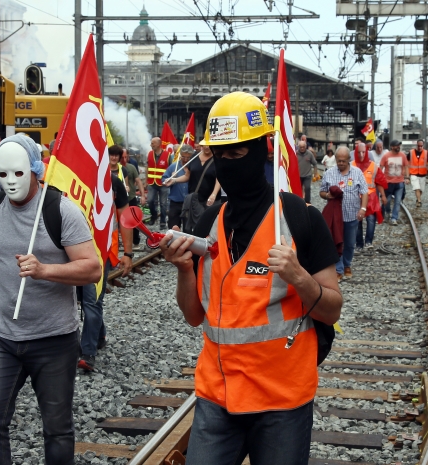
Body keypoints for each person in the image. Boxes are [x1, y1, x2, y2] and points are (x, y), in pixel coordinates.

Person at [161, 91, 342, 465]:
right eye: (220, 155)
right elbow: (195, 316)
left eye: (238, 154)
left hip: (282, 402)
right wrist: (183, 271)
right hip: (218, 396)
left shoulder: (300, 220)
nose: (228, 164)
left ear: (262, 149)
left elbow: (332, 310)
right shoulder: (208, 224)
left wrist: (298, 277)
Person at [0, 135, 101, 464]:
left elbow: (92, 268)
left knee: (57, 428)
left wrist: (45, 270)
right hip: (0, 337)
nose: (11, 182)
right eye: (4, 174)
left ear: (37, 171)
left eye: (19, 173)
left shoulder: (61, 210)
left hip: (54, 339)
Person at [78, 167, 132, 371]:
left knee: (91, 301)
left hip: (102, 252)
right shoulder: (68, 175)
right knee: (86, 300)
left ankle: (87, 353)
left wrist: (128, 254)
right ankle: (99, 335)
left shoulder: (114, 183)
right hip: (74, 251)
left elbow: (125, 218)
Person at [320, 146, 368, 280]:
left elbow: (364, 192)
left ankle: (347, 264)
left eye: (343, 161)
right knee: (336, 241)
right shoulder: (329, 173)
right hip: (335, 216)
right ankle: (338, 268)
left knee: (350, 242)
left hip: (352, 215)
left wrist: (363, 209)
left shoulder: (357, 173)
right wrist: (327, 195)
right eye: (338, 160)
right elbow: (322, 192)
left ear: (349, 160)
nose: (341, 163)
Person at [165, 140, 221, 234]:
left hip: (211, 199)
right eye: (204, 144)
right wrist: (174, 180)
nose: (206, 147)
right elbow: (187, 176)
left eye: (209, 145)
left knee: (209, 226)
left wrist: (214, 194)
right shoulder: (194, 157)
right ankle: (192, 246)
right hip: (195, 199)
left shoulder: (218, 158)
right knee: (191, 227)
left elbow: (219, 178)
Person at [351, 145, 387, 251]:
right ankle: (359, 244)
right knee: (358, 221)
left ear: (366, 152)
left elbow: (379, 182)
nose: (361, 155)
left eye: (363, 152)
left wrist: (383, 195)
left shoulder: (374, 166)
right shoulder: (351, 166)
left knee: (371, 220)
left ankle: (368, 242)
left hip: (371, 197)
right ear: (355, 153)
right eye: (359, 152)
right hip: (356, 197)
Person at [110, 145, 145, 249]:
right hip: (109, 204)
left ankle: (130, 244)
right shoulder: (103, 169)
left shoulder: (123, 170)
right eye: (112, 155)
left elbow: (126, 185)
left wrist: (127, 189)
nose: (114, 158)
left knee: (126, 222)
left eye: (116, 156)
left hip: (121, 201)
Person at [162, 145, 192, 229]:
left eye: (188, 157)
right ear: (180, 155)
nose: (185, 159)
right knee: (173, 228)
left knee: (188, 229)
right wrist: (170, 178)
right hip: (175, 202)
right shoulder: (173, 167)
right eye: (183, 157)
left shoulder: (193, 167)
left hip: (189, 203)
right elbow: (163, 181)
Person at [380, 140, 409, 225]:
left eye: (399, 145)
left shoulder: (403, 155)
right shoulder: (386, 156)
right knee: (387, 200)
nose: (398, 147)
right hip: (388, 182)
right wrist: (380, 178)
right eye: (396, 146)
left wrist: (407, 177)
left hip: (400, 182)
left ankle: (394, 218)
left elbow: (406, 166)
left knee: (397, 201)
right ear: (392, 146)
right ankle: (387, 212)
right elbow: (381, 168)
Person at [146, 137, 172, 229]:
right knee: (150, 200)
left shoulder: (168, 155)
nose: (151, 145)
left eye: (152, 143)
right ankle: (154, 216)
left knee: (163, 203)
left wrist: (170, 181)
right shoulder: (149, 154)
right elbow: (147, 167)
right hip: (151, 183)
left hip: (163, 184)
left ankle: (162, 221)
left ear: (158, 144)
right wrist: (146, 180)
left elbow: (171, 169)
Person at [407, 139, 428, 207]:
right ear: (416, 145)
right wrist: (407, 174)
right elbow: (406, 162)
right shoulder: (411, 152)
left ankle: (417, 199)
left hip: (423, 174)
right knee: (417, 188)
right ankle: (419, 201)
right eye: (418, 146)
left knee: (421, 189)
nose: (420, 147)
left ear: (423, 145)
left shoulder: (426, 153)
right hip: (413, 174)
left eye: (421, 146)